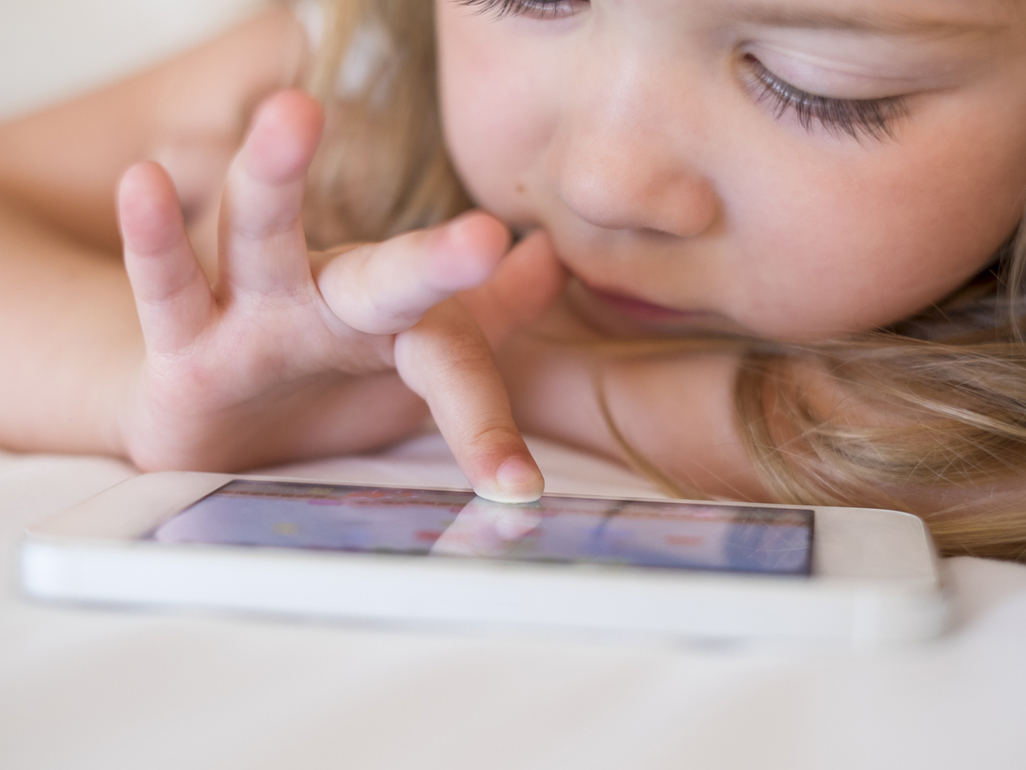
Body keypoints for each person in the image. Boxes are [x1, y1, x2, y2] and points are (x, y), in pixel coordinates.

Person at [1, 0, 1024, 559]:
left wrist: (495, 363)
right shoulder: (356, 62)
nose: (601, 182)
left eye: (818, 88)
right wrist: (146, 380)